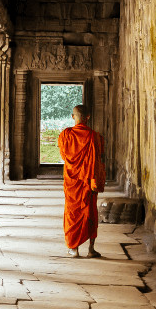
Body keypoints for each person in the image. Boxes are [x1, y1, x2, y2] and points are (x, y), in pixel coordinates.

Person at [57, 104, 105, 257]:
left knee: (72, 213)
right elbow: (99, 158)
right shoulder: (95, 137)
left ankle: (73, 249)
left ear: (73, 117)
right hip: (87, 182)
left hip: (72, 182)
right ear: (88, 117)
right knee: (90, 213)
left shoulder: (66, 135)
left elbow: (64, 156)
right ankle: (91, 250)